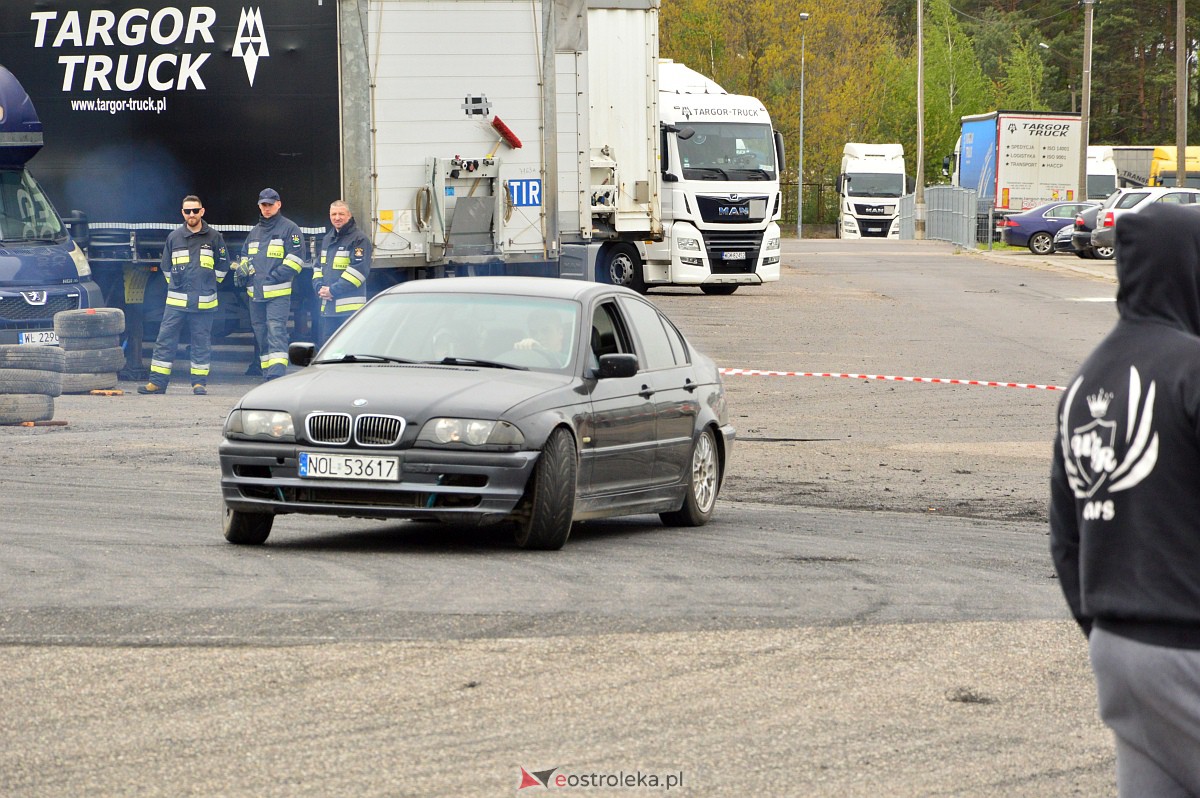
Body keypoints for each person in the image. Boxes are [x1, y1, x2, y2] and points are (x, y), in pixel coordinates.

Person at [1050, 202, 1200, 796]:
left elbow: (1066, 538)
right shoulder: (1191, 368)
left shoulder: (1086, 380)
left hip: (1118, 649)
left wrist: (1104, 625)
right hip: (1188, 645)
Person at [137, 195, 230, 395]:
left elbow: (223, 266)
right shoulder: (174, 237)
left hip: (204, 303)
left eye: (195, 210)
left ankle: (199, 383)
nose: (191, 215)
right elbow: (166, 267)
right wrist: (178, 286)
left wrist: (209, 285)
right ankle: (157, 383)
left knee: (201, 343)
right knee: (164, 340)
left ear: (202, 211)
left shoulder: (214, 237)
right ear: (182, 213)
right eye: (187, 211)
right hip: (176, 302)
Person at [233, 188, 306, 380]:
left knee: (276, 330)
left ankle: (276, 374)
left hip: (277, 293)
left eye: (270, 205)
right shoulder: (254, 232)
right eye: (263, 205)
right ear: (259, 206)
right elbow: (245, 257)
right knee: (261, 332)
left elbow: (296, 260)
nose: (267, 208)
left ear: (279, 204)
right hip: (255, 294)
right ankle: (267, 372)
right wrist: (243, 271)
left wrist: (272, 277)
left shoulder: (290, 229)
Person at [313, 199, 372, 347]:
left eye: (341, 214)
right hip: (329, 309)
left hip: (349, 312)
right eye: (334, 214)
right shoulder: (328, 239)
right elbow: (318, 266)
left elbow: (358, 271)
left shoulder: (359, 239)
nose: (337, 217)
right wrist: (319, 286)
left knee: (350, 351)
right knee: (329, 351)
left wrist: (332, 290)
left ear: (349, 215)